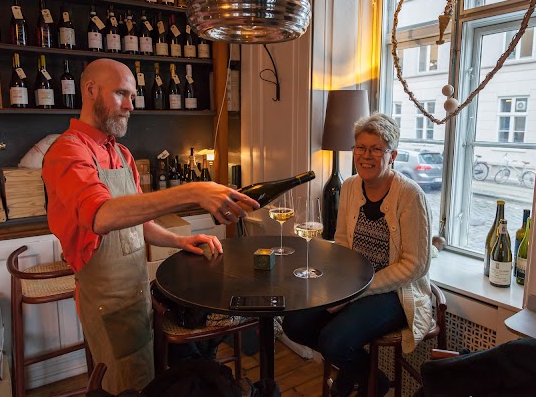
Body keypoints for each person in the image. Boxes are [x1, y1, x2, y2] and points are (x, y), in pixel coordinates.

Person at [42, 58, 260, 394]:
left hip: (136, 291)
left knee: (149, 380)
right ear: (90, 90)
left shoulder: (122, 154)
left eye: (133, 95)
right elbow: (102, 216)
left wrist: (176, 240)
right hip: (107, 302)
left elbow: (138, 221)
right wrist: (191, 191)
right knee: (125, 386)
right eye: (121, 94)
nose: (131, 105)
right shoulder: (68, 152)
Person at [282, 114, 433, 397]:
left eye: (377, 149)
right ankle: (370, 377)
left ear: (393, 155)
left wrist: (356, 293)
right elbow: (341, 241)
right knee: (294, 323)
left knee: (335, 341)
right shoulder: (350, 186)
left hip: (396, 292)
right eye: (360, 148)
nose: (366, 156)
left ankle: (363, 381)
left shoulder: (410, 195)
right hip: (353, 283)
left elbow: (415, 266)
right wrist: (335, 284)